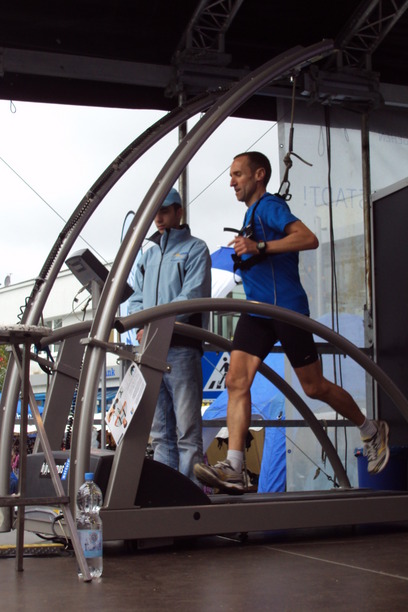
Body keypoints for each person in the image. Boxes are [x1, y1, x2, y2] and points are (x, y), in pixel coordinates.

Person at [194, 151, 390, 494]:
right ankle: (235, 466)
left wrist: (259, 246)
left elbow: (308, 238)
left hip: (286, 309)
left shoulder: (269, 206)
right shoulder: (251, 214)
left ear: (259, 175)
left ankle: (371, 430)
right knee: (236, 381)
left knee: (314, 387)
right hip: (257, 311)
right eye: (231, 175)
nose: (231, 182)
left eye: (238, 174)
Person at [128, 187, 212, 483]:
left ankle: (190, 496)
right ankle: (167, 495)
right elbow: (135, 298)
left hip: (182, 348)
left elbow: (193, 296)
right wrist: (142, 326)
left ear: (179, 211)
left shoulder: (196, 249)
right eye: (155, 212)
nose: (158, 218)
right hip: (152, 349)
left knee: (187, 431)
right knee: (161, 433)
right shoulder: (148, 255)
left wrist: (151, 324)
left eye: (164, 211)